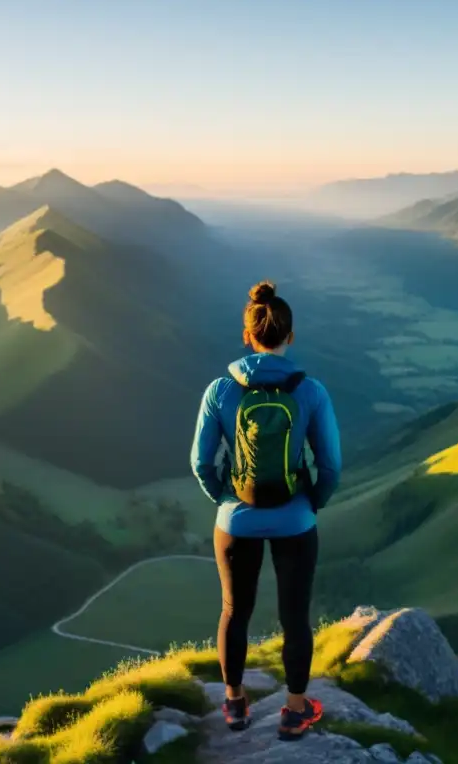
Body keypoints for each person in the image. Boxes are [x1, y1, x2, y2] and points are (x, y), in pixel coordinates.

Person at [190, 280, 342, 742]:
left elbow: (200, 461)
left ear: (247, 334)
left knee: (235, 611)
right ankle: (295, 712)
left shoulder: (220, 391)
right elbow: (330, 463)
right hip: (295, 519)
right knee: (295, 616)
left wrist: (226, 498)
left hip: (236, 520)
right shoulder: (310, 391)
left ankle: (235, 704)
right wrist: (310, 502)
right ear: (289, 338)